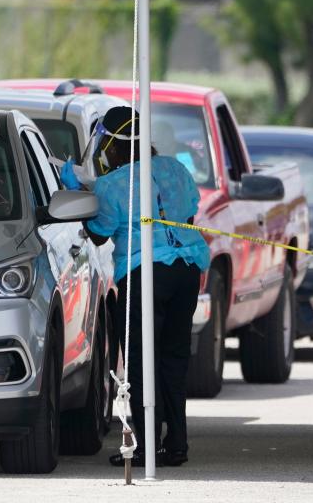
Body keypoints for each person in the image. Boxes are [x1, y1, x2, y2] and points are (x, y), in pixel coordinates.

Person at [81, 107, 210, 467]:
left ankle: (147, 447)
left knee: (140, 362)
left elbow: (99, 233)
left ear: (110, 144)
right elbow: (189, 215)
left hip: (145, 274)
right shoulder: (175, 168)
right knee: (174, 358)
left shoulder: (112, 184)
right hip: (186, 271)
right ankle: (177, 445)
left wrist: (84, 200)